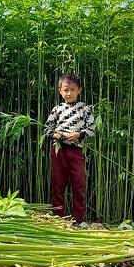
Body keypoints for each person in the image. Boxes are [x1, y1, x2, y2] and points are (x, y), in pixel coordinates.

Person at [44, 73, 96, 226]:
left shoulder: (84, 109)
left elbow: (92, 129)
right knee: (57, 185)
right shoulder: (57, 109)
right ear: (60, 90)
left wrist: (79, 134)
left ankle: (77, 219)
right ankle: (58, 219)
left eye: (73, 90)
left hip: (76, 151)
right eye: (66, 90)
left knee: (79, 185)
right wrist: (56, 134)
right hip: (58, 150)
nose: (69, 93)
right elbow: (47, 129)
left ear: (79, 90)